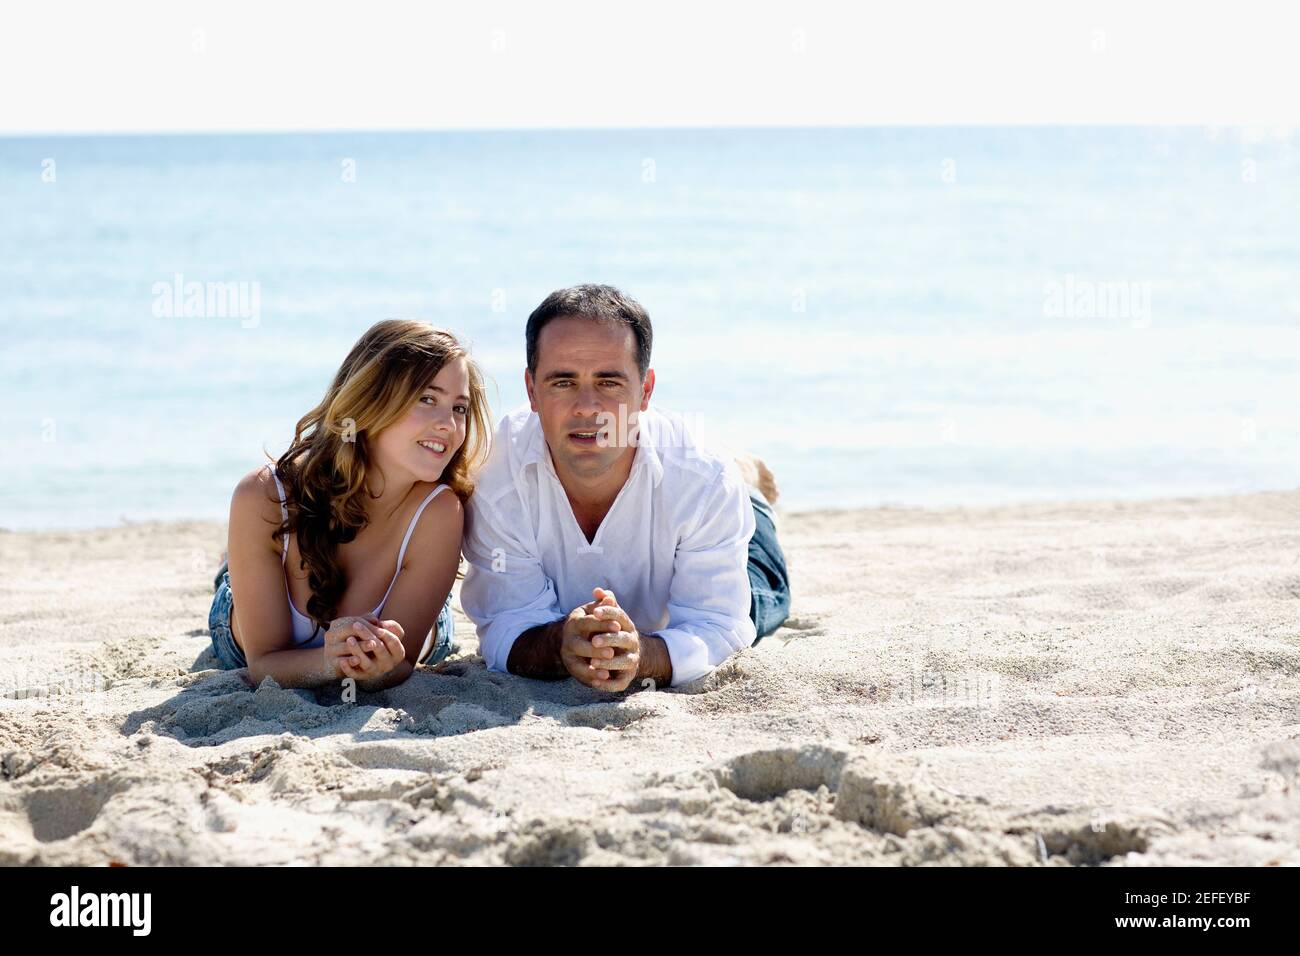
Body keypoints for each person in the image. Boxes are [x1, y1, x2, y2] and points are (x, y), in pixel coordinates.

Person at [460, 284, 790, 691]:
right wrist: (560, 644)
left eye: (609, 382)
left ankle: (750, 485)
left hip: (718, 513)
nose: (586, 407)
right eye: (563, 382)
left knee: (762, 602)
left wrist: (642, 656)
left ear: (646, 390)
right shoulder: (494, 474)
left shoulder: (704, 477)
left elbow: (719, 626)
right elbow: (504, 625)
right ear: (531, 390)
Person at [207, 320, 490, 690]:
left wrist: (381, 668)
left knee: (436, 635)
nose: (448, 425)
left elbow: (401, 663)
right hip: (244, 636)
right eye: (427, 399)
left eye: (459, 408)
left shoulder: (439, 512)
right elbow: (263, 665)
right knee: (234, 582)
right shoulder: (264, 495)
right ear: (371, 399)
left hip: (423, 621)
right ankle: (232, 567)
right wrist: (330, 662)